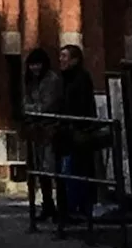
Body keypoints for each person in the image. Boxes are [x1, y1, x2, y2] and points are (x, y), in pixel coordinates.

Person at [55, 43, 99, 227]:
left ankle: (78, 209)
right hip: (66, 133)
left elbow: (80, 106)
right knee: (67, 172)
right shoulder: (63, 79)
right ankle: (68, 209)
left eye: (65, 56)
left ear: (75, 59)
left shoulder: (80, 79)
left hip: (77, 133)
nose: (61, 60)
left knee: (76, 171)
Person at [22, 46, 63, 227]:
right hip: (37, 131)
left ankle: (60, 208)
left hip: (50, 129)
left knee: (52, 169)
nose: (35, 68)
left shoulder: (51, 80)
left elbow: (47, 105)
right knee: (40, 170)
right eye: (32, 65)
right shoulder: (30, 81)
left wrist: (31, 110)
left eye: (37, 64)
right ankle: (47, 205)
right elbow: (26, 102)